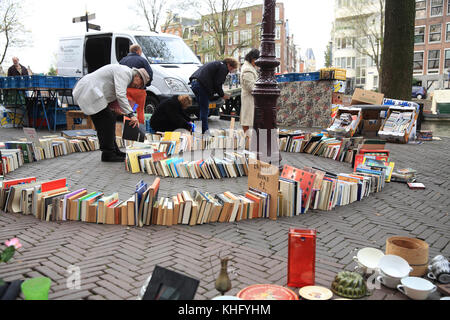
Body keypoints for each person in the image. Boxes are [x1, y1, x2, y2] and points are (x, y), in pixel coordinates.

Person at [73, 64, 150, 162]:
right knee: (107, 121)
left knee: (108, 120)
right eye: (141, 83)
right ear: (137, 76)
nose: (138, 86)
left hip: (93, 93)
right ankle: (108, 153)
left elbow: (112, 90)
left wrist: (115, 108)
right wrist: (131, 114)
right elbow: (120, 94)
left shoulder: (126, 75)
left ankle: (113, 151)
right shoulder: (125, 73)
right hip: (89, 91)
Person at [189, 57, 239, 134]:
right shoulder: (223, 67)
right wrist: (222, 95)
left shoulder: (216, 63)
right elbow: (218, 84)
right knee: (205, 110)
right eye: (232, 68)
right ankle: (205, 133)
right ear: (229, 65)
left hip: (194, 83)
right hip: (201, 86)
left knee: (200, 109)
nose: (230, 71)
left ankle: (198, 131)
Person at [240, 49, 260, 133]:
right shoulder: (248, 69)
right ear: (252, 58)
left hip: (249, 97)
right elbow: (251, 86)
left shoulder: (249, 67)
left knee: (247, 118)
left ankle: (248, 140)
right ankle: (247, 140)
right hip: (249, 98)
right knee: (247, 119)